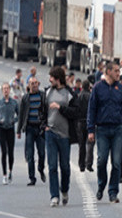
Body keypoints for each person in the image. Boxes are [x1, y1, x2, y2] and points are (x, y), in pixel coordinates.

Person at [86, 61, 122, 203]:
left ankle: (113, 192)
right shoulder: (98, 88)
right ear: (107, 72)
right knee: (101, 160)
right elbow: (92, 109)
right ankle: (101, 185)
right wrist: (90, 129)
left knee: (117, 162)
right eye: (116, 71)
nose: (119, 74)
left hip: (118, 129)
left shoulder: (121, 89)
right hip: (102, 129)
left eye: (119, 71)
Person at [44, 66, 76, 207]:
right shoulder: (47, 92)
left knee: (65, 167)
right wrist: (43, 125)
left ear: (58, 78)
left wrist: (60, 108)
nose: (49, 79)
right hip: (50, 133)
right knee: (52, 166)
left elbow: (76, 112)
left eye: (52, 77)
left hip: (65, 135)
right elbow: (42, 111)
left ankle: (64, 190)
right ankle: (54, 196)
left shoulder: (68, 93)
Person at [18, 77, 47, 186]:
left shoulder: (43, 95)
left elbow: (47, 110)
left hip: (40, 128)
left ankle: (41, 168)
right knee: (30, 155)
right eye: (32, 83)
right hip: (30, 128)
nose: (34, 85)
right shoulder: (25, 98)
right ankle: (32, 178)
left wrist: (47, 124)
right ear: (29, 85)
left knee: (42, 153)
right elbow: (21, 114)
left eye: (35, 83)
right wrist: (19, 130)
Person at [0, 82, 18, 184]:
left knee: (11, 152)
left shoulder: (14, 102)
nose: (6, 90)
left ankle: (10, 170)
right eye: (4, 89)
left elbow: (19, 115)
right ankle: (4, 175)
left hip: (10, 128)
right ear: (2, 91)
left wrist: (14, 120)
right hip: (1, 128)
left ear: (9, 90)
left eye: (7, 88)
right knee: (4, 152)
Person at [73, 78, 92, 172]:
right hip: (89, 121)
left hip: (80, 122)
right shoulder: (90, 96)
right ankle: (89, 163)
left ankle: (81, 164)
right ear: (89, 87)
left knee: (81, 145)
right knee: (90, 144)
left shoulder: (78, 96)